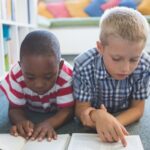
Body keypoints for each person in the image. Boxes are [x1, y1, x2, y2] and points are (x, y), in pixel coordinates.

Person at [73, 7, 150, 147]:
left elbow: (138, 109)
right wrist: (97, 115)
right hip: (95, 110)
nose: (126, 68)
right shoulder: (83, 64)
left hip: (123, 111)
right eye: (116, 58)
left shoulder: (144, 64)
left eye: (133, 59)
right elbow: (80, 110)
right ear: (100, 48)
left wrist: (113, 122)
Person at [0, 30, 74, 141]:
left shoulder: (66, 75)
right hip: (29, 108)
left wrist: (50, 123)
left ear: (60, 66)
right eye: (30, 77)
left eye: (48, 77)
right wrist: (21, 121)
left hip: (56, 109)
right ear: (21, 66)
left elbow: (67, 110)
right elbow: (14, 109)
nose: (39, 85)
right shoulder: (15, 75)